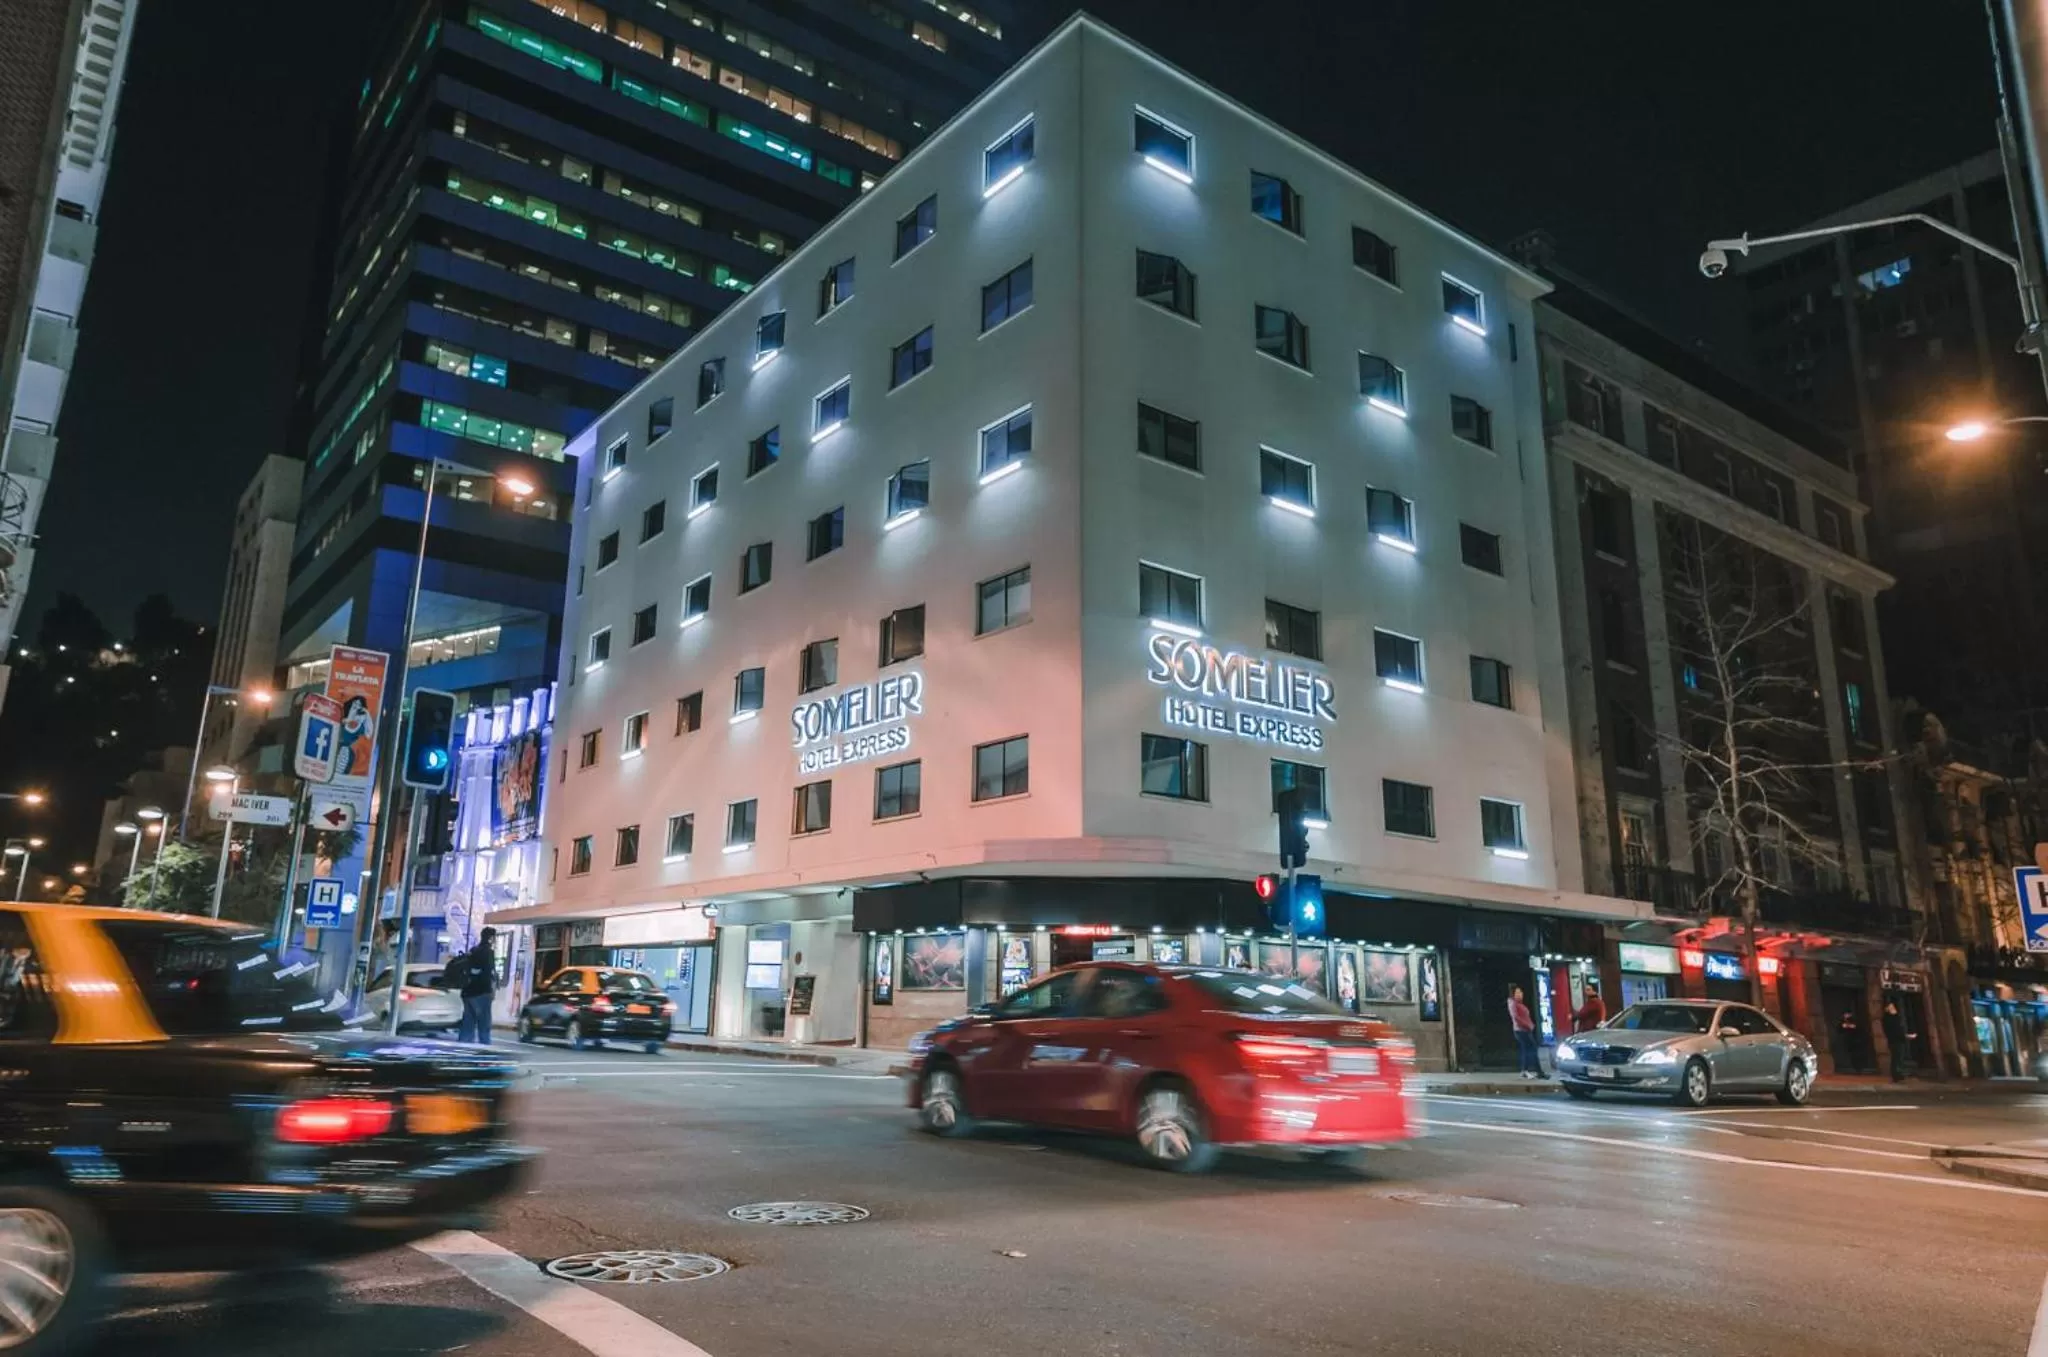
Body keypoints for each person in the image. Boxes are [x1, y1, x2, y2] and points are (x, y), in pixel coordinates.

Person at [449, 927, 498, 1045]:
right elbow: (489, 972)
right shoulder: (488, 952)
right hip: (481, 992)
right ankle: (485, 1052)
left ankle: (462, 1050)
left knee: (468, 1024)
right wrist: (492, 990)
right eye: (494, 937)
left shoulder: (473, 950)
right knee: (484, 1025)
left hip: (468, 992)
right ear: (491, 938)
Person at [1509, 985, 1542, 1079]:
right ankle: (1535, 1071)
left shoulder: (1520, 1004)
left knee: (1527, 1050)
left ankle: (1528, 1070)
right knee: (1531, 1049)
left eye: (1521, 992)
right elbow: (1516, 1017)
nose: (1520, 994)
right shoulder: (1513, 1004)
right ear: (1513, 995)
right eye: (1517, 993)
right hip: (1521, 1030)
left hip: (1526, 1030)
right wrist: (1527, 1025)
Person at [1881, 997, 1916, 1082]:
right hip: (1896, 1040)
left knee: (1898, 1057)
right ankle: (1897, 1074)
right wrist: (1907, 1036)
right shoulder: (1890, 1019)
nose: (1894, 1010)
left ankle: (1898, 1074)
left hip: (1896, 1040)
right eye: (1891, 1008)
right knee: (1897, 1058)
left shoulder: (1894, 1018)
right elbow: (1896, 1031)